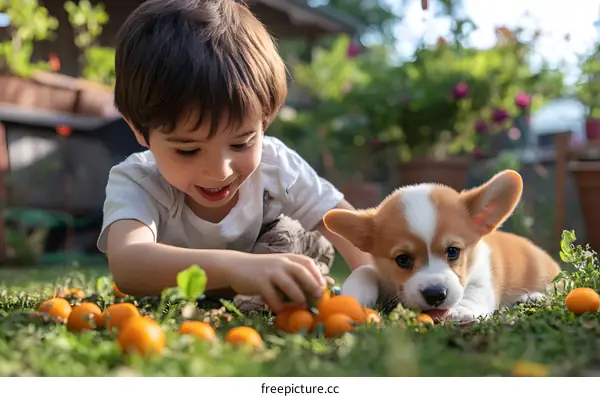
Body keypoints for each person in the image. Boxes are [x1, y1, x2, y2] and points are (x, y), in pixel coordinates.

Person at [96, 0, 374, 314]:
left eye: (241, 144)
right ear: (138, 129)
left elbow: (347, 227)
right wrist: (235, 268)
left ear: (265, 119)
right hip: (180, 296)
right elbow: (129, 264)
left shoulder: (277, 167)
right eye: (188, 150)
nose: (219, 171)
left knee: (293, 239)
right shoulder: (138, 182)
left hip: (272, 264)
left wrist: (374, 281)